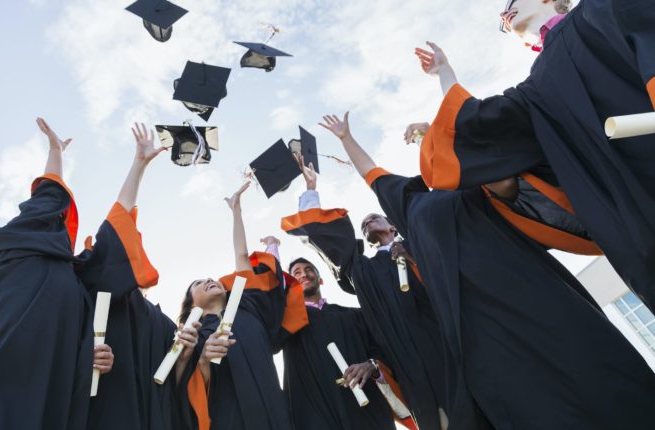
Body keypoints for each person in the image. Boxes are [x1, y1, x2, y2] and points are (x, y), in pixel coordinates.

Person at [319, 111, 655, 430]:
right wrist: (346, 138)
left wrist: (432, 132)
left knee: (593, 369)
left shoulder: (471, 187)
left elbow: (503, 178)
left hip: (527, 288)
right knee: (533, 401)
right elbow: (370, 172)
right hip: (478, 320)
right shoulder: (410, 204)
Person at [414, 0, 655, 310]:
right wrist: (445, 73)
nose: (504, 14)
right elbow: (476, 126)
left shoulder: (603, 8)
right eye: (502, 17)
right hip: (637, 220)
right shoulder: (535, 89)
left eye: (510, 3)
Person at [0, 118, 113, 429]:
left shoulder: (74, 282)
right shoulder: (15, 250)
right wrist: (55, 153)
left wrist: (90, 358)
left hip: (40, 394)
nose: (55, 223)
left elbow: (67, 342)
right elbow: (48, 199)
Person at [280, 157, 446, 429]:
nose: (367, 222)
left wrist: (413, 253)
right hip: (411, 363)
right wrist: (311, 190)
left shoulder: (421, 244)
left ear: (394, 226)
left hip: (447, 341)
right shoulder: (365, 270)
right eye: (363, 224)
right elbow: (334, 244)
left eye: (374, 218)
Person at [80, 122, 197, 430]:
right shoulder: (98, 289)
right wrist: (139, 165)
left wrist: (185, 352)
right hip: (103, 412)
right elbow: (118, 222)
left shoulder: (163, 322)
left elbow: (171, 380)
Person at [177, 183, 308, 430]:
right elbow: (186, 390)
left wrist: (236, 211)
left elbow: (242, 256)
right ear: (190, 303)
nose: (209, 279)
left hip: (275, 414)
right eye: (198, 282)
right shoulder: (191, 337)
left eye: (209, 278)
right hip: (229, 420)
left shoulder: (248, 307)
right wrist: (204, 359)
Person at [269, 238, 403, 430]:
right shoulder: (287, 323)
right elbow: (272, 291)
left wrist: (371, 365)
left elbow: (383, 351)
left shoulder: (354, 315)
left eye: (308, 270)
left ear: (320, 279)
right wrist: (272, 247)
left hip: (366, 411)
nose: (304, 274)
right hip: (314, 414)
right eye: (296, 273)